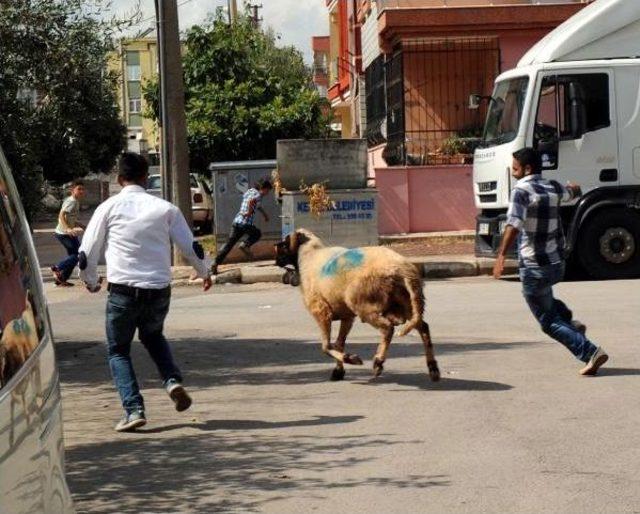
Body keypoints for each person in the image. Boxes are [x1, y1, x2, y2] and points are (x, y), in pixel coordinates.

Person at [79, 153, 213, 432]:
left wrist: (90, 280)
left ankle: (134, 409)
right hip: (158, 290)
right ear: (145, 177)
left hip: (123, 292)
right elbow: (191, 246)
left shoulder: (108, 207)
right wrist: (204, 272)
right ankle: (172, 380)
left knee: (118, 350)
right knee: (153, 335)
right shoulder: (165, 209)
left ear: (119, 178)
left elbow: (88, 249)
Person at [493, 147, 608, 375]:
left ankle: (590, 352)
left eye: (515, 167)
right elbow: (573, 192)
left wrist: (501, 255)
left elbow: (513, 224)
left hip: (534, 265)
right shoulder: (553, 187)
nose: (512, 171)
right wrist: (574, 187)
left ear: (527, 168)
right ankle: (571, 324)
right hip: (556, 264)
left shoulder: (521, 191)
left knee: (547, 321)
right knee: (545, 298)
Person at [211, 178, 272, 275]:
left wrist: (264, 214)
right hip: (245, 223)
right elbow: (252, 201)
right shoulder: (258, 194)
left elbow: (257, 205)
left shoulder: (250, 191)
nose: (267, 193)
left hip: (237, 222)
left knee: (229, 245)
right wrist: (249, 212)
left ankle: (214, 263)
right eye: (267, 190)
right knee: (257, 233)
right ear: (263, 188)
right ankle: (245, 245)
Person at [51, 179, 86, 286]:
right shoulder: (72, 201)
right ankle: (57, 268)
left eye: (83, 189)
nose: (81, 191)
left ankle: (61, 279)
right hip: (64, 234)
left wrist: (81, 225)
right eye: (79, 189)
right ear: (72, 190)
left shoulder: (75, 201)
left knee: (73, 257)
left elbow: (71, 218)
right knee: (78, 255)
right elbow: (61, 215)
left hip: (68, 233)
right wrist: (67, 229)